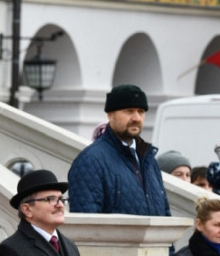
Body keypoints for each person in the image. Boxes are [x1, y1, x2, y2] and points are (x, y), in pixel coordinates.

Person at [67, 84, 171, 216]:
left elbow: (165, 212)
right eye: (129, 111)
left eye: (141, 111)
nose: (136, 118)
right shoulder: (90, 161)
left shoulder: (149, 159)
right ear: (110, 115)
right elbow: (87, 225)